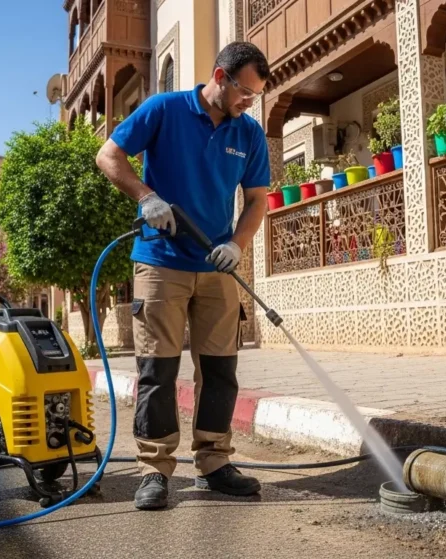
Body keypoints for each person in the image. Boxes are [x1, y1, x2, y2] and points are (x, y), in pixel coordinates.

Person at [95, 42, 271, 510]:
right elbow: (108, 156)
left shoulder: (248, 134)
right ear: (220, 75)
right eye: (244, 93)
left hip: (216, 265)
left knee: (220, 370)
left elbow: (256, 200)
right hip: (160, 261)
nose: (247, 103)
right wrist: (146, 196)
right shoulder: (164, 109)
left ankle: (213, 464)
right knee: (159, 369)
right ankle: (154, 470)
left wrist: (237, 244)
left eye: (254, 96)